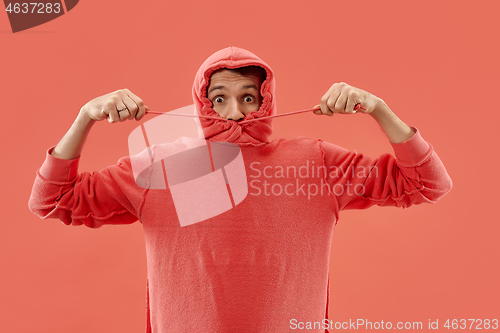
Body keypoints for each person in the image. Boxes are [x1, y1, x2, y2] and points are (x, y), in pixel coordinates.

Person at [28, 46, 452, 333]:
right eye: (219, 98)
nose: (236, 113)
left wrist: (378, 109)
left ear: (267, 99)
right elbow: (53, 199)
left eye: (249, 97)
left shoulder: (315, 161)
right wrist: (84, 117)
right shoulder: (160, 165)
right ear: (201, 102)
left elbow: (427, 183)